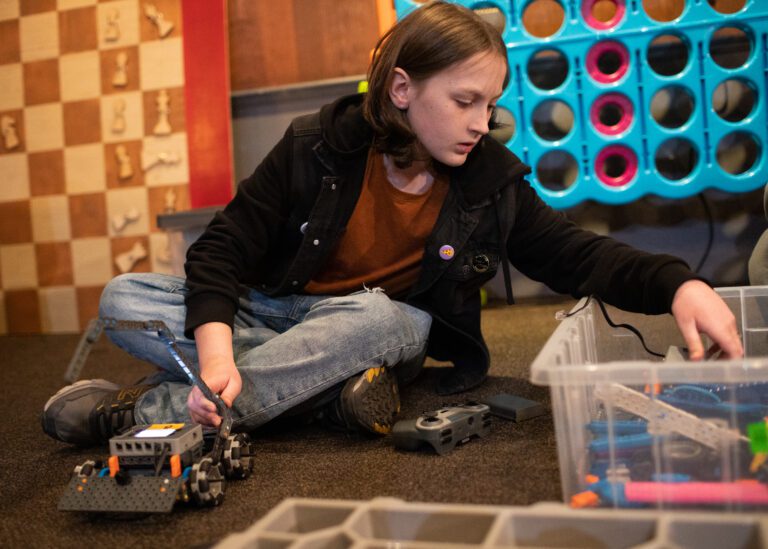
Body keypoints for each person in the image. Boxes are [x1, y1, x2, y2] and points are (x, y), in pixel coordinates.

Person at [42, 1, 743, 447]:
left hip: (379, 328)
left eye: (489, 103)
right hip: (277, 320)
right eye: (464, 100)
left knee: (384, 325)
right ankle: (324, 400)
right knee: (125, 297)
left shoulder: (488, 179)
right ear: (402, 90)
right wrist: (222, 355)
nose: (481, 122)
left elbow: (573, 255)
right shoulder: (313, 144)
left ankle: (142, 414)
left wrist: (679, 285)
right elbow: (221, 252)